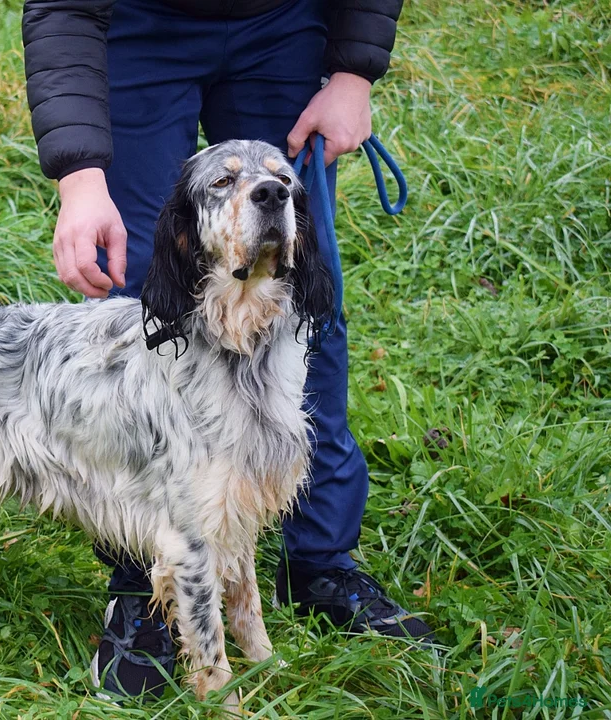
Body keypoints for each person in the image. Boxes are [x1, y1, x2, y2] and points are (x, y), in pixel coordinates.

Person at [21, 0, 436, 699]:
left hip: (281, 23)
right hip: (136, 27)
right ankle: (144, 585)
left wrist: (353, 72)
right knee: (145, 294)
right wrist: (80, 174)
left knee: (297, 290)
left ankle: (321, 561)